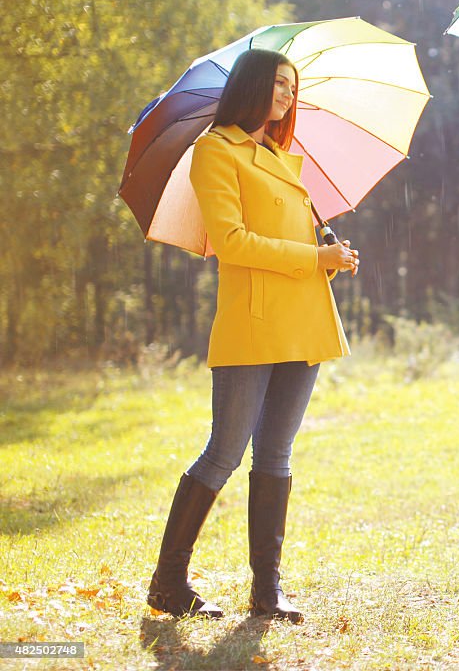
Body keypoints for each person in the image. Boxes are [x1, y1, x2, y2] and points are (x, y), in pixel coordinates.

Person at [146, 48, 359, 623]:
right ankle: (168, 582)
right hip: (254, 321)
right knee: (224, 451)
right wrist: (314, 257)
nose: (289, 97)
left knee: (277, 455)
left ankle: (268, 591)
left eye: (294, 88)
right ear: (253, 87)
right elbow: (233, 243)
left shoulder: (281, 156)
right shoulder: (216, 152)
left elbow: (296, 240)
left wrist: (332, 257)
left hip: (305, 320)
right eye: (280, 86)